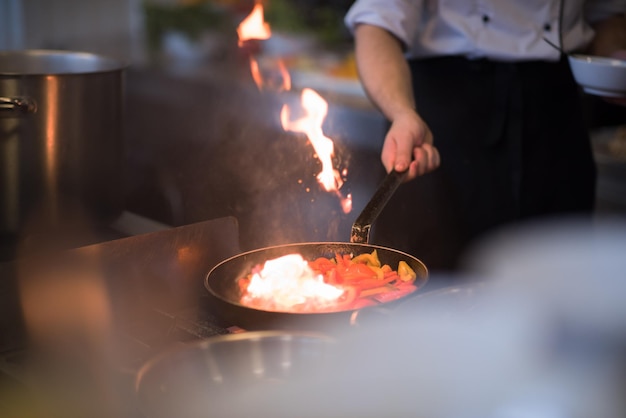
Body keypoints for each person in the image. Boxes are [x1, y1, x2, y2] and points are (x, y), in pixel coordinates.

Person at [344, 1, 626, 273]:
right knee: (436, 279)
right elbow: (376, 23)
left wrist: (614, 62)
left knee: (560, 273)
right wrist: (402, 113)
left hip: (556, 114)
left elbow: (606, 16)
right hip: (449, 115)